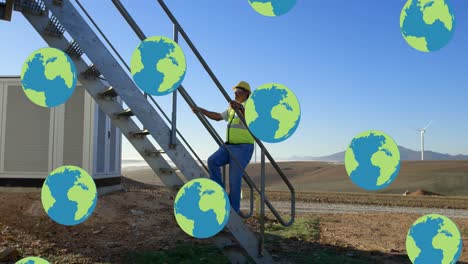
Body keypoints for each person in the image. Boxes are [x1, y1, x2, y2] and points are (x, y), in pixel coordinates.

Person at [192, 81, 255, 213]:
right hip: (229, 146)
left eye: (237, 91)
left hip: (243, 148)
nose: (235, 94)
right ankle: (221, 197)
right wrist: (201, 110)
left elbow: (251, 121)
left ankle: (234, 211)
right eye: (234, 92)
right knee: (212, 161)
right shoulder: (232, 107)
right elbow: (218, 117)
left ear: (246, 93)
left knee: (234, 179)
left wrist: (240, 109)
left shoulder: (251, 106)